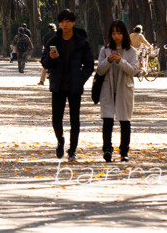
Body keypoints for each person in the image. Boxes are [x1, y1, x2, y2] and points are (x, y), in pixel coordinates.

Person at [40, 9, 94, 162]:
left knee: (74, 120)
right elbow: (44, 62)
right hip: (58, 86)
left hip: (74, 87)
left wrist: (80, 79)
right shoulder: (53, 41)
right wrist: (50, 58)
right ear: (59, 23)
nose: (65, 24)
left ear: (73, 23)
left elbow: (89, 65)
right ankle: (61, 141)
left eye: (68, 21)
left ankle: (72, 150)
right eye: (62, 21)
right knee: (56, 119)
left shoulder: (82, 42)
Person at [96, 20, 138, 162]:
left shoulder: (131, 51)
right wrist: (108, 60)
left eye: (119, 33)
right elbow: (100, 71)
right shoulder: (105, 50)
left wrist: (120, 61)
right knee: (107, 120)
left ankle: (124, 151)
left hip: (124, 90)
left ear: (124, 34)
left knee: (124, 121)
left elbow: (133, 71)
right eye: (113, 33)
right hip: (108, 89)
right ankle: (107, 149)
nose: (116, 36)